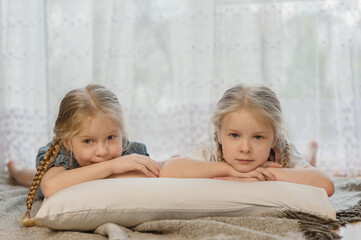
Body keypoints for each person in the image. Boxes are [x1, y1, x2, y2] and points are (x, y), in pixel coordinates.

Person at [21, 84, 160, 226]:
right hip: (48, 173)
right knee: (29, 177)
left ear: (121, 132)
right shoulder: (61, 154)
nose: (102, 152)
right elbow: (50, 187)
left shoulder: (128, 151)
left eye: (111, 137)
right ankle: (14, 169)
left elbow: (152, 173)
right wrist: (112, 166)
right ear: (68, 142)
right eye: (88, 141)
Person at [159, 84, 334, 197]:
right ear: (219, 134)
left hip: (286, 160)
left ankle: (311, 152)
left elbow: (326, 185)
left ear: (274, 138)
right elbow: (168, 171)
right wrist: (231, 170)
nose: (245, 148)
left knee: (305, 157)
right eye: (234, 135)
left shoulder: (282, 153)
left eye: (258, 137)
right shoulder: (212, 149)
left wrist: (268, 173)